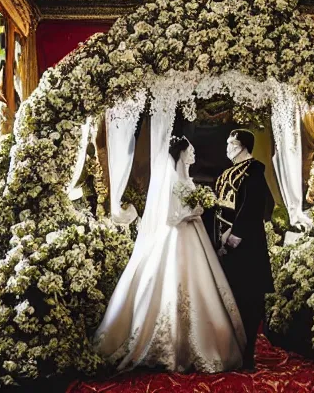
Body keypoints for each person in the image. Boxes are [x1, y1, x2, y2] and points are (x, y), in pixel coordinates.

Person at [94, 136, 246, 373]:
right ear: (181, 154)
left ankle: (204, 341)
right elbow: (171, 217)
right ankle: (165, 343)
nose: (194, 155)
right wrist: (194, 211)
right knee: (172, 282)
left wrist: (198, 209)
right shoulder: (172, 181)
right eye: (191, 151)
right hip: (176, 237)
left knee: (200, 283)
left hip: (194, 235)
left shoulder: (188, 179)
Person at [215, 129, 274, 371]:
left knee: (250, 299)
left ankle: (248, 355)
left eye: (231, 143)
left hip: (245, 245)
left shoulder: (253, 170)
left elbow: (255, 205)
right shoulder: (227, 173)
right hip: (225, 245)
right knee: (232, 298)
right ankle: (232, 350)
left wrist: (236, 234)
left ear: (242, 146)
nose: (227, 147)